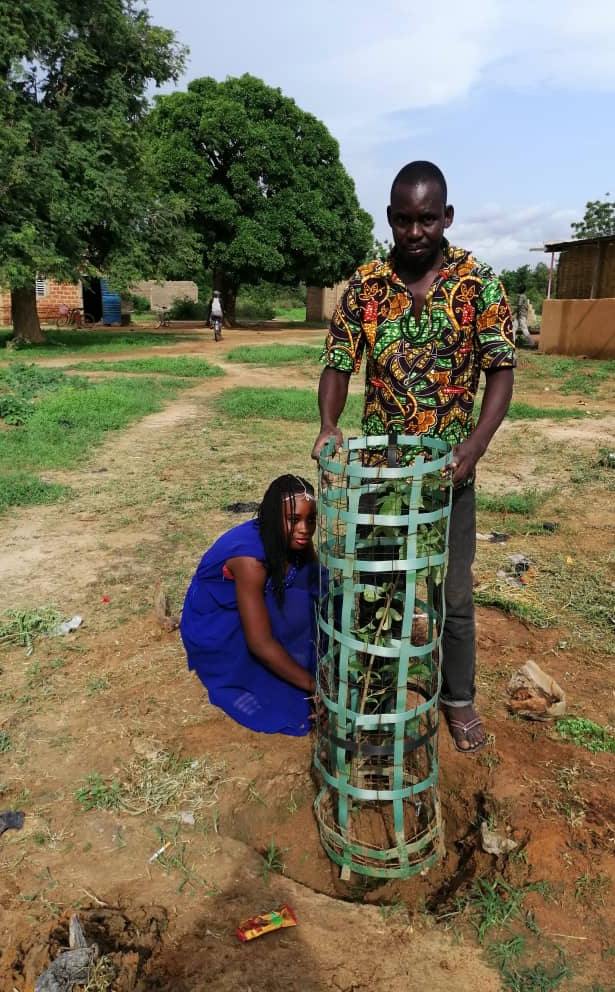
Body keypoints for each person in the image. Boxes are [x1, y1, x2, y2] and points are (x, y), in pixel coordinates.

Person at [311, 161, 516, 753]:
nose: (416, 231)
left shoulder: (478, 285)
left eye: (427, 218)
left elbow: (501, 373)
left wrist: (473, 447)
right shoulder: (368, 287)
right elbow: (338, 364)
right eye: (405, 220)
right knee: (380, 588)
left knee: (452, 592)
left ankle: (458, 699)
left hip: (450, 474)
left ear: (446, 217)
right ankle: (374, 703)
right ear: (391, 220)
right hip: (383, 474)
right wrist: (329, 423)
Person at [180, 475, 321, 736]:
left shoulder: (295, 536)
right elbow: (260, 643)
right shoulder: (250, 561)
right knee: (283, 696)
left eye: (310, 520)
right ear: (272, 518)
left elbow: (316, 577)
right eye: (294, 520)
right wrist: (316, 686)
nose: (304, 529)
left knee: (309, 603)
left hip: (255, 601)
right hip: (218, 621)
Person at [515, 284, 537, 348]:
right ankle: (511, 343)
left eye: (519, 288)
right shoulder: (524, 296)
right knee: (513, 328)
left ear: (521, 289)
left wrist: (512, 313)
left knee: (524, 329)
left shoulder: (521, 296)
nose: (518, 289)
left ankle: (532, 343)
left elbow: (519, 306)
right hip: (520, 315)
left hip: (521, 315)